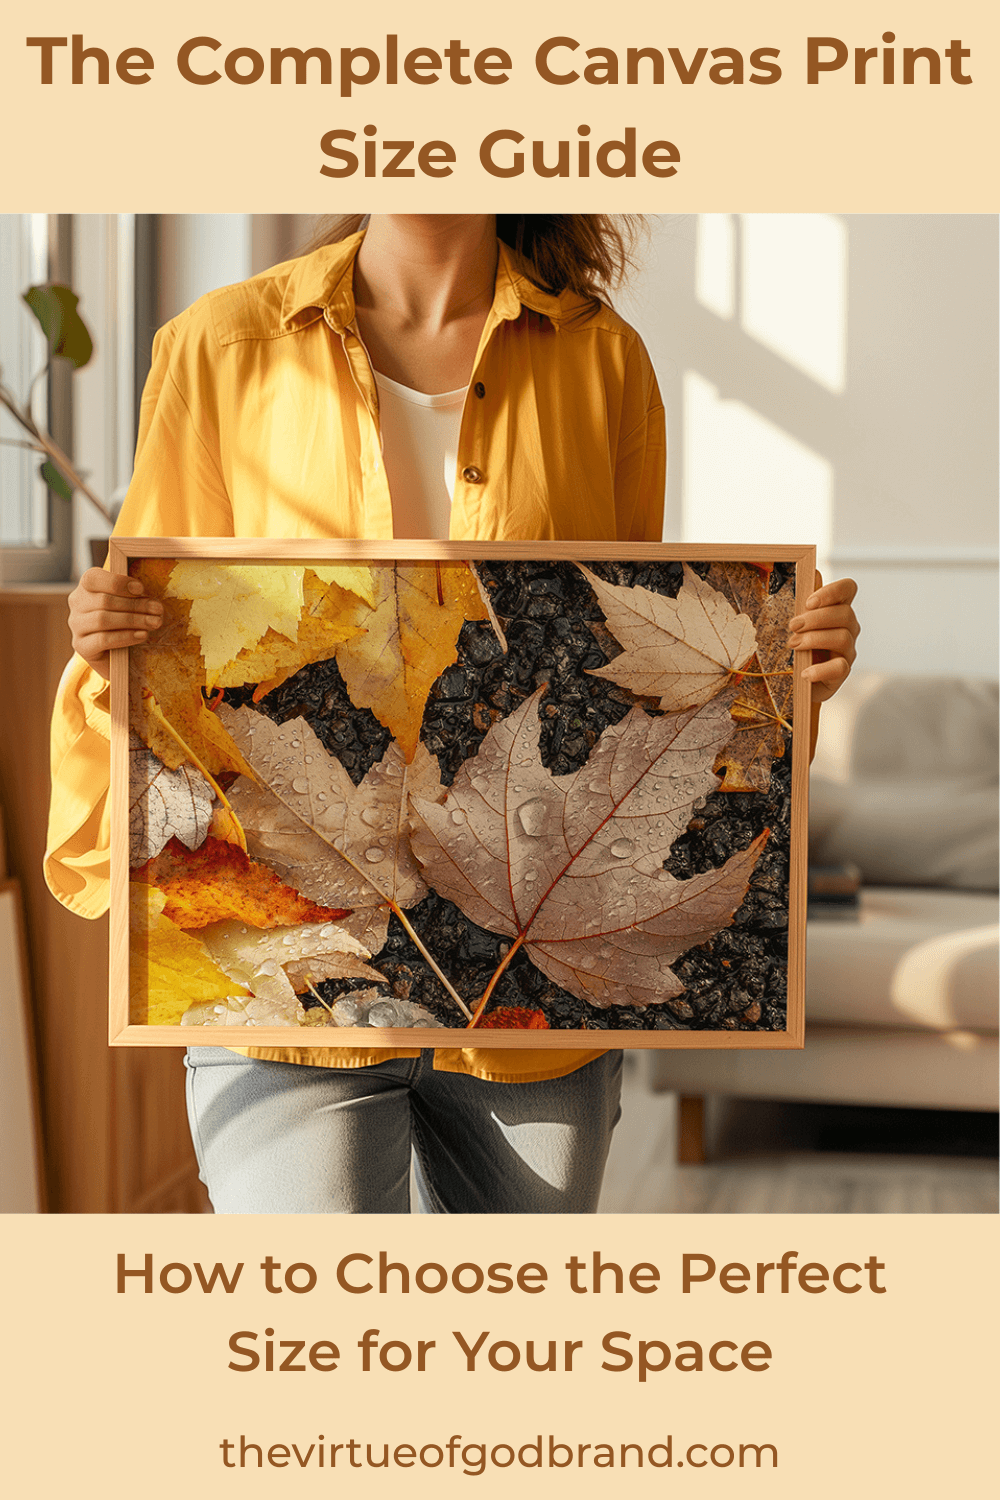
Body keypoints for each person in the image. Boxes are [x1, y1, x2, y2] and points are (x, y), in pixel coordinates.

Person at [46, 214, 860, 1214]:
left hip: (529, 997)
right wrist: (109, 639)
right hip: (291, 960)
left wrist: (781, 678)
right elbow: (167, 633)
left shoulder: (602, 358)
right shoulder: (218, 345)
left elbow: (610, 666)